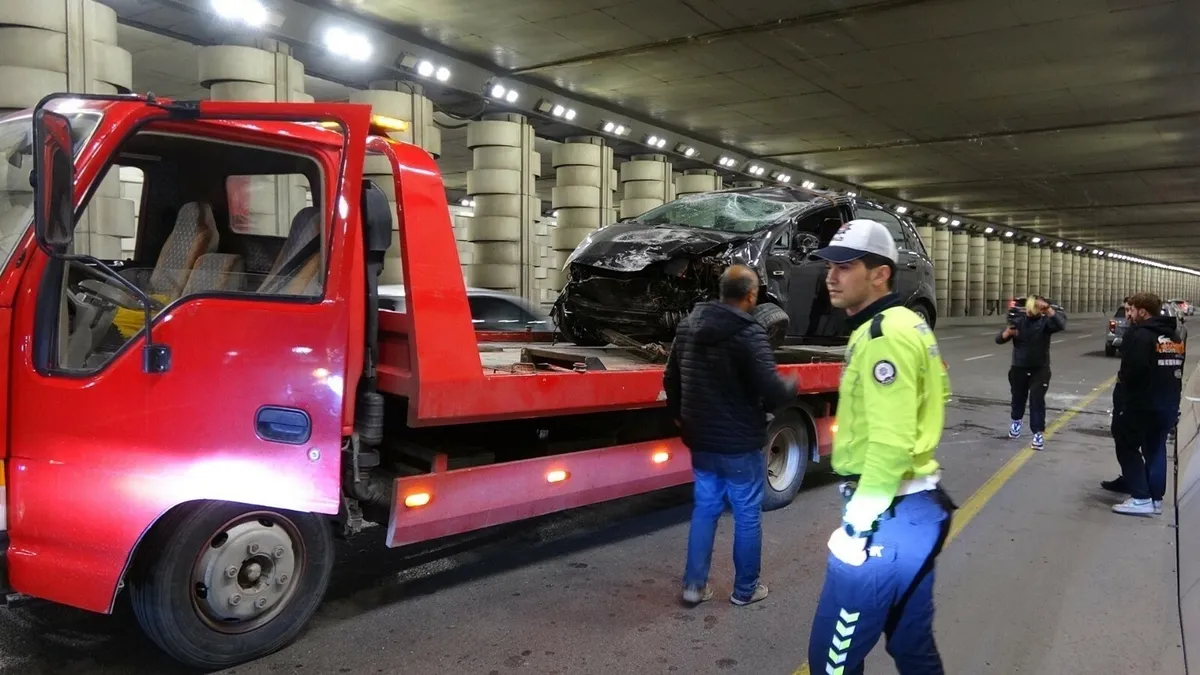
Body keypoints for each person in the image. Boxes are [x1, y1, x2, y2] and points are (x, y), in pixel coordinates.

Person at [805, 219, 954, 675]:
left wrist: (856, 525)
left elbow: (890, 441)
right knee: (911, 647)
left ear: (880, 274)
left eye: (845, 266)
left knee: (831, 662)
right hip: (918, 510)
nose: (831, 276)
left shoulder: (882, 336)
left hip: (885, 521)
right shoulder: (906, 321)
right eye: (830, 266)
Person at [663, 264, 796, 606]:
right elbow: (771, 388)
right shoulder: (749, 332)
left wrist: (680, 417)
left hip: (702, 442)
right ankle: (745, 590)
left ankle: (694, 586)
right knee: (747, 514)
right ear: (751, 296)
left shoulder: (689, 325)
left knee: (705, 509)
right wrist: (791, 386)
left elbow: (670, 379)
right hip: (739, 444)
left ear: (722, 292)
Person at [1107, 292, 1186, 516]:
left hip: (1141, 404)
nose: (1128, 315)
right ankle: (1155, 499)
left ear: (1143, 311)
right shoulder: (1175, 336)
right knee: (1155, 448)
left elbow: (1132, 371)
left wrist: (1122, 391)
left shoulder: (1140, 335)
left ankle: (1141, 497)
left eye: (1131, 310)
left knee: (1126, 444)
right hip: (1168, 403)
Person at [995, 295, 1065, 450]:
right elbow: (999, 339)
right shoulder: (1018, 322)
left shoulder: (1045, 323)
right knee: (1018, 398)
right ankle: (1016, 422)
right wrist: (1006, 334)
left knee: (1037, 400)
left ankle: (1038, 434)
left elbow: (1061, 324)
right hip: (1019, 367)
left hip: (1040, 368)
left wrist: (1048, 309)